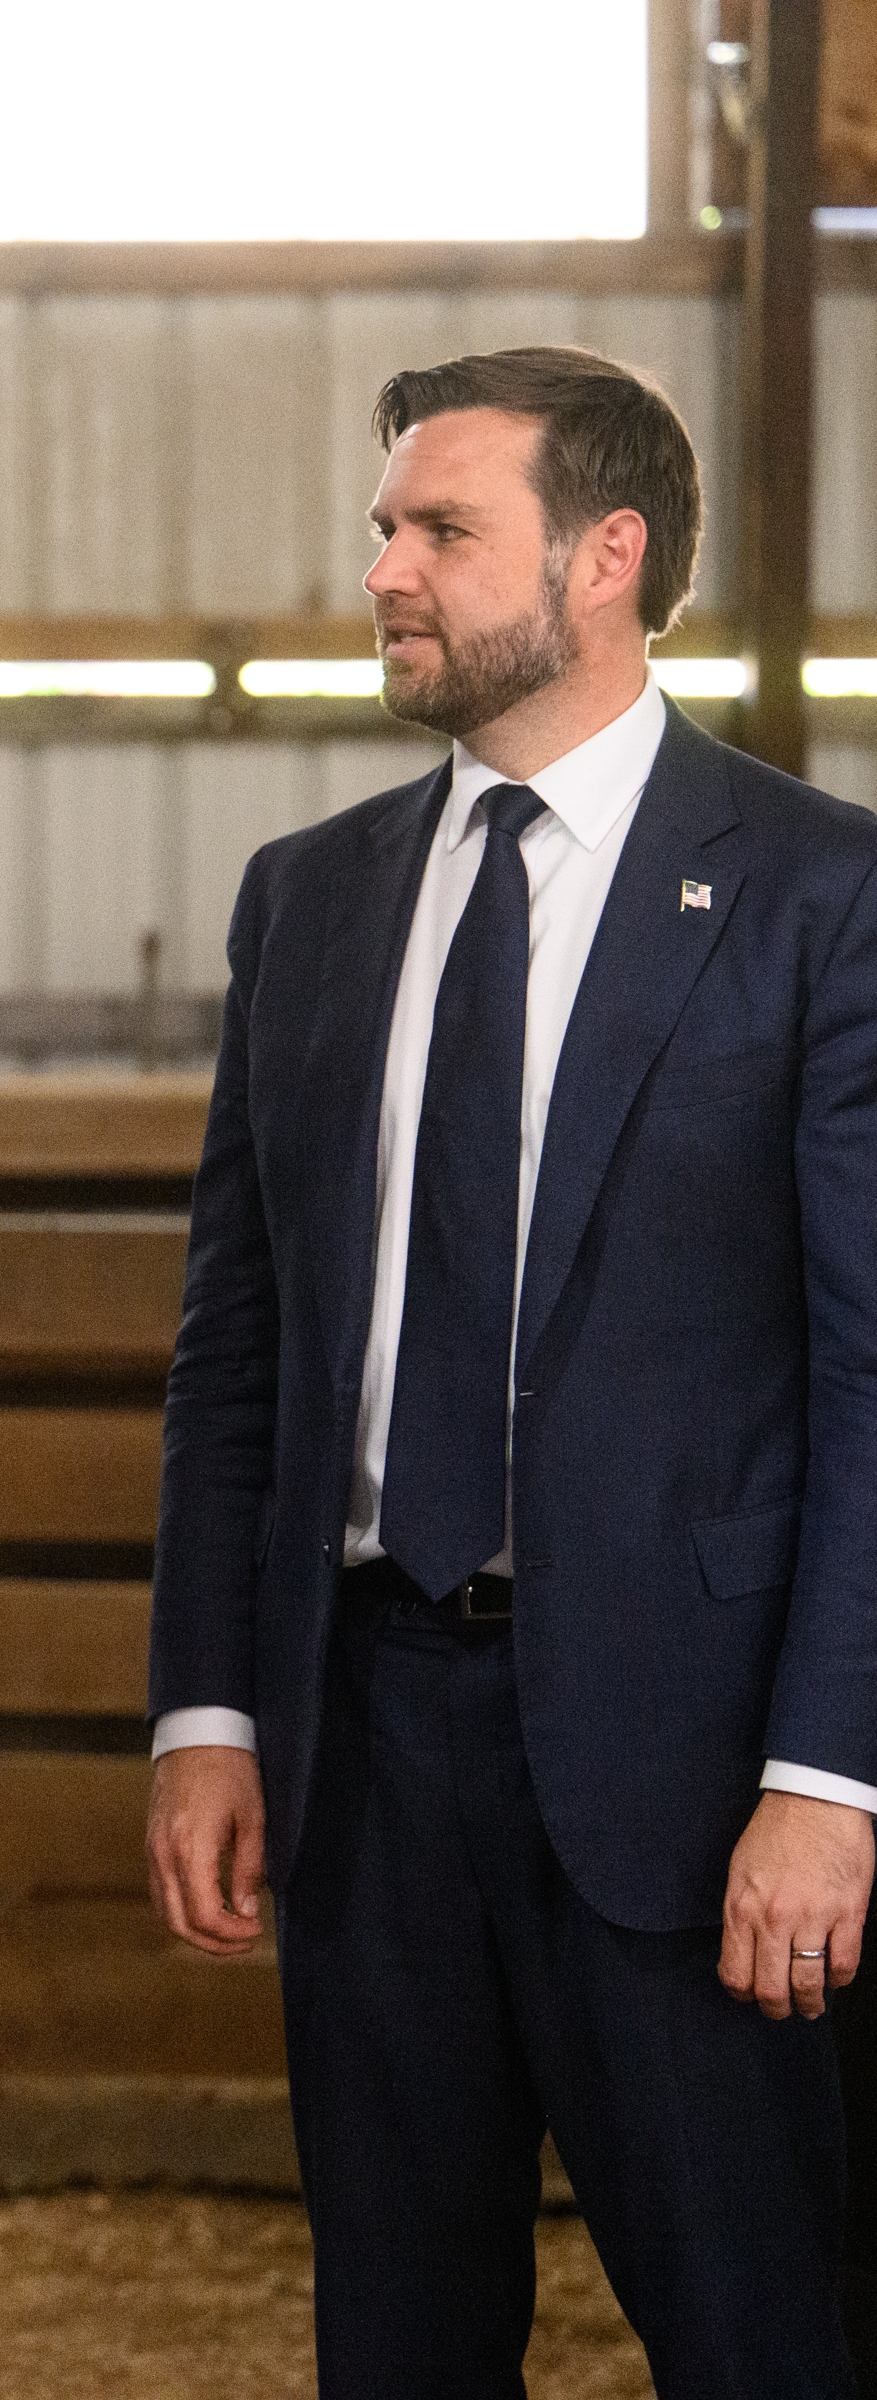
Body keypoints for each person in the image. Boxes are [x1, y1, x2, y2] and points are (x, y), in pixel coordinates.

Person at [147, 343, 877, 2397]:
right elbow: (236, 1353)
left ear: (604, 557)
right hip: (362, 1750)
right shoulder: (307, 903)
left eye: (438, 527)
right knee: (396, 2342)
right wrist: (205, 1709)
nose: (382, 565)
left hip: (693, 1778)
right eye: (384, 524)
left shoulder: (825, 899)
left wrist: (828, 1785)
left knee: (758, 2340)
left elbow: (867, 1375)